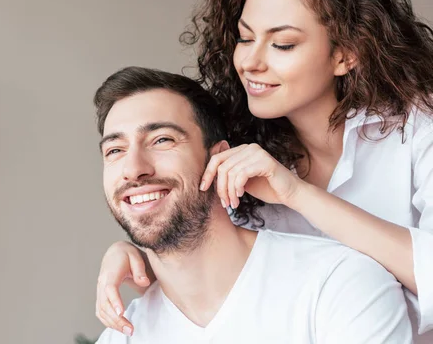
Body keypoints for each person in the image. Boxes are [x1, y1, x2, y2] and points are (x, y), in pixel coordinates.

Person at [95, 0, 433, 341]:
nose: (250, 63)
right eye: (244, 38)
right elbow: (210, 248)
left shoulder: (418, 128)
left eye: (283, 44)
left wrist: (296, 194)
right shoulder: (242, 148)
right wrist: (134, 253)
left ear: (347, 54)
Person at [92, 66, 412, 343]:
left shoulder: (339, 286)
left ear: (218, 158)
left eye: (162, 140)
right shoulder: (123, 336)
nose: (134, 168)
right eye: (115, 150)